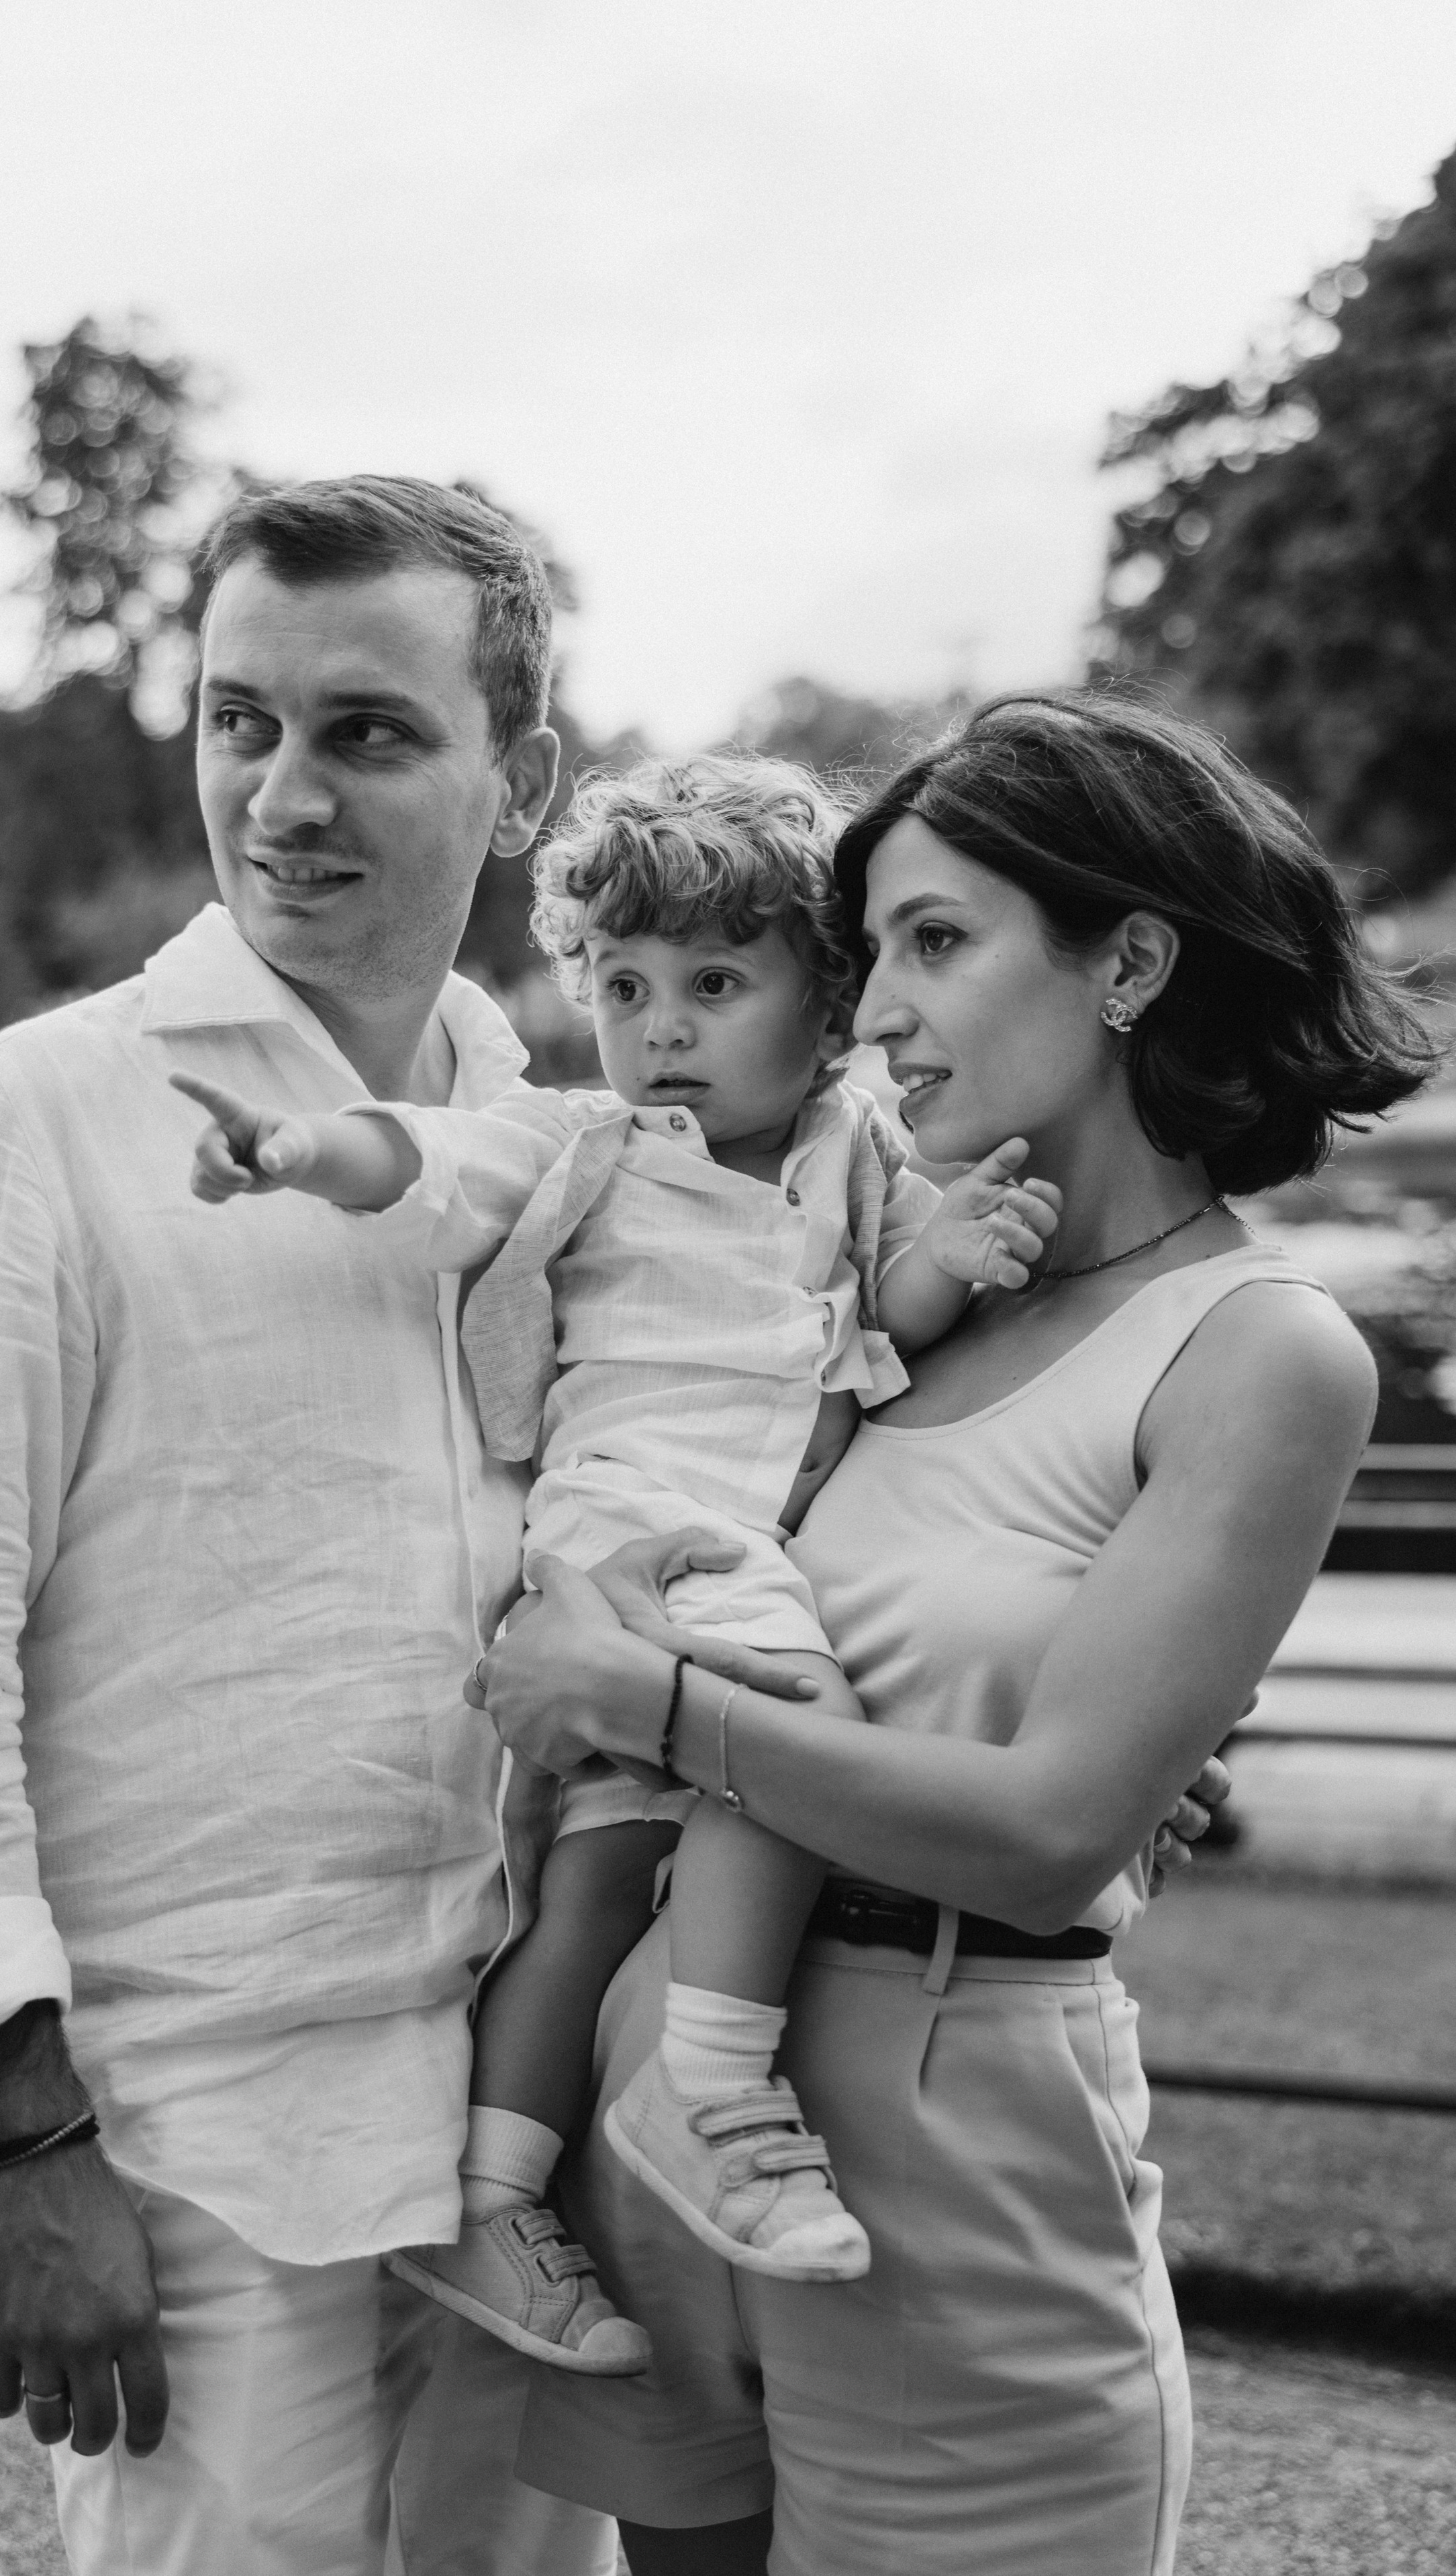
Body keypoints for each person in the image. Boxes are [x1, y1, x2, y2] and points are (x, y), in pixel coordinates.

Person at [465, 692, 1436, 2576]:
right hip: (658, 2072)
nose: (873, 1004)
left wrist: (639, 1691)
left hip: (950, 2122)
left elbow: (1050, 1822)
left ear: (1132, 960)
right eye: (868, 949)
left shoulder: (1258, 1344)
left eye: (935, 941)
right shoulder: (896, 1289)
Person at [0, 477, 620, 2576]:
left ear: (519, 782)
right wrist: (24, 2141)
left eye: (367, 730)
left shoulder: (549, 1149)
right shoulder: (33, 1117)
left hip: (519, 2142)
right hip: (188, 2134)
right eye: (239, 719)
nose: (282, 791)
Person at [169, 752, 1061, 2369]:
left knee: (595, 1877)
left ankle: (487, 2190)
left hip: (724, 1541)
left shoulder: (851, 1156)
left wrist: (949, 1254)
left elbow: (878, 1318)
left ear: (828, 993)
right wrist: (301, 1152)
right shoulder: (589, 1142)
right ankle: (709, 2084)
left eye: (716, 982)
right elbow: (430, 1164)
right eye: (625, 982)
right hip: (634, 1527)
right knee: (794, 1722)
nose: (659, 1024)